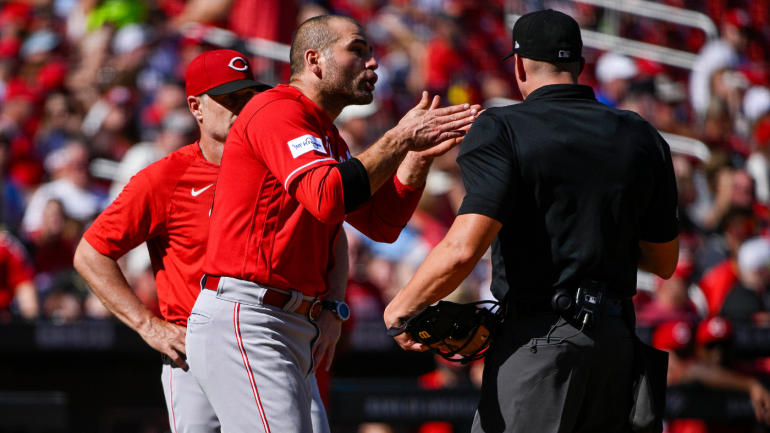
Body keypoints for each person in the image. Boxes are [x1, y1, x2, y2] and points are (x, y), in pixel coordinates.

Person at [384, 9, 680, 432]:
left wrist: (401, 308)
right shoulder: (642, 135)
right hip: (616, 345)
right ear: (579, 65)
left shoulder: (502, 127)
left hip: (540, 340)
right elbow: (663, 262)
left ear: (519, 65)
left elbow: (464, 248)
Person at [186, 14, 479, 433]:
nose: (372, 63)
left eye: (372, 53)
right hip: (247, 314)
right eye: (357, 50)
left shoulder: (328, 136)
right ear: (315, 60)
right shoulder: (276, 108)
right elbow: (327, 198)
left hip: (287, 322)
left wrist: (416, 158)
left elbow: (380, 225)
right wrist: (398, 138)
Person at [73, 49, 286, 433]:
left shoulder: (277, 167)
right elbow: (91, 252)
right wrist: (147, 324)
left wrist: (333, 307)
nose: (241, 108)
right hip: (196, 353)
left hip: (270, 340)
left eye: (248, 97)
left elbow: (331, 227)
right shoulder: (166, 177)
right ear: (196, 107)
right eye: (228, 99)